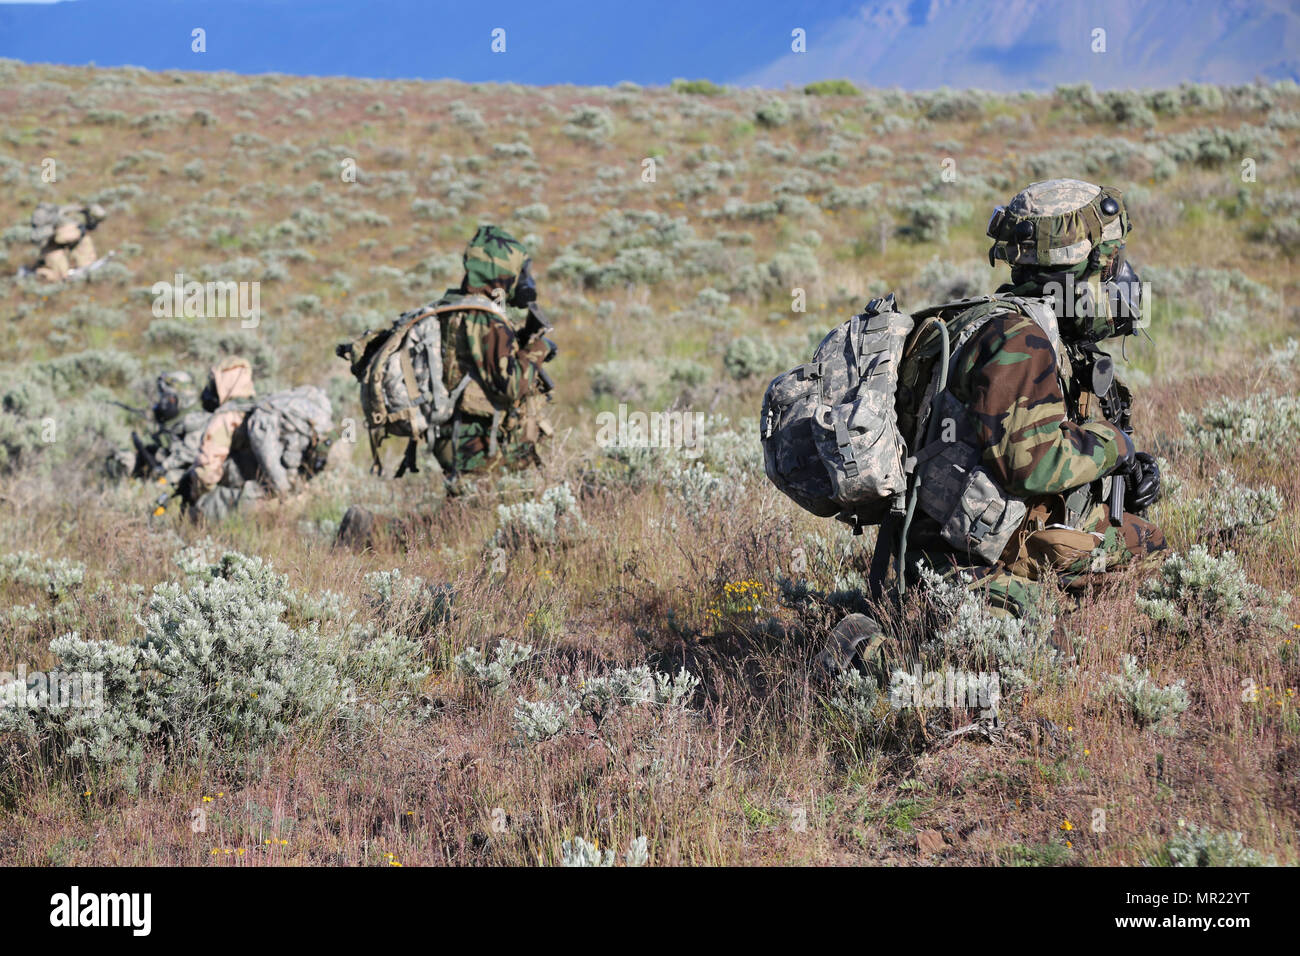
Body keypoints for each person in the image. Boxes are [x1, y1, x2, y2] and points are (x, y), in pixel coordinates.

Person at [824, 179, 1166, 674]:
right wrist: (1117, 446)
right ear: (1075, 270)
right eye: (1108, 265)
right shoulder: (1019, 339)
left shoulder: (999, 323)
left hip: (948, 550)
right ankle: (867, 651)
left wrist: (1122, 467)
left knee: (1144, 544)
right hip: (957, 567)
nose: (1120, 279)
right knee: (1033, 667)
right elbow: (1033, 463)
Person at [28, 203, 106, 282]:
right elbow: (60, 238)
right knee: (60, 276)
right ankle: (33, 275)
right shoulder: (72, 217)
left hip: (63, 247)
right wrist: (78, 232)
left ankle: (86, 267)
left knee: (85, 241)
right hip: (52, 249)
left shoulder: (76, 215)